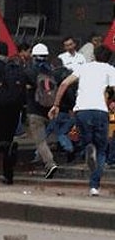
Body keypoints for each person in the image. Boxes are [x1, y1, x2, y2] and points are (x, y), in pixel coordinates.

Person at [49, 45, 115, 197]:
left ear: (93, 56)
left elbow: (65, 83)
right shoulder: (110, 70)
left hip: (82, 111)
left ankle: (86, 146)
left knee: (81, 137)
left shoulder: (84, 68)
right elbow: (112, 92)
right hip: (100, 111)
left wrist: (56, 105)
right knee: (102, 150)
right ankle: (94, 186)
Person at [0, 41, 26, 185]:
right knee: (8, 138)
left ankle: (8, 166)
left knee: (0, 143)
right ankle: (8, 175)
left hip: (0, 107)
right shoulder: (15, 65)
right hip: (15, 108)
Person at [24, 43, 58, 179]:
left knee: (40, 141)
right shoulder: (51, 71)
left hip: (34, 111)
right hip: (48, 110)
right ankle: (42, 159)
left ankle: (50, 164)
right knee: (46, 138)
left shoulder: (29, 71)